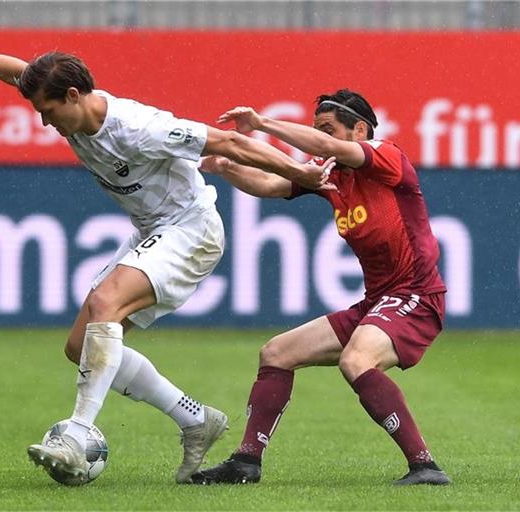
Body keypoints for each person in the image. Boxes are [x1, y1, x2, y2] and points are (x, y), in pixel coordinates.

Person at [0, 25, 336, 485]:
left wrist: (302, 173)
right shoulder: (69, 105)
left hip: (190, 230)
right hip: (151, 230)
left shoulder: (138, 128)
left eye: (49, 112)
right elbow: (20, 73)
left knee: (104, 305)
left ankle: (77, 433)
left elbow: (231, 142)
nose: (44, 122)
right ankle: (196, 419)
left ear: (74, 95)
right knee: (80, 347)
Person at [191, 89, 451, 486]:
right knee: (277, 353)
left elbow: (327, 147)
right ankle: (247, 462)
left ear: (359, 129)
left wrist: (261, 124)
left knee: (356, 360)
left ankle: (425, 466)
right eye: (317, 129)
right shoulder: (332, 175)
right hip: (378, 302)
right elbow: (269, 183)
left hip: (415, 295)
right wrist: (225, 165)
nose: (320, 138)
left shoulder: (386, 155)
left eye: (327, 128)